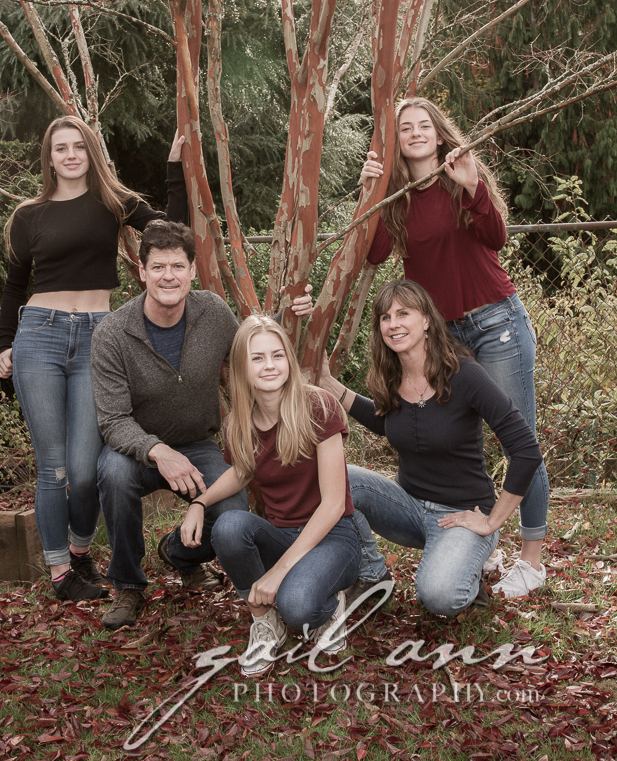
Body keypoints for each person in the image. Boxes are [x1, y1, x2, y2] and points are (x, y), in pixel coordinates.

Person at [359, 97, 549, 598]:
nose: (416, 133)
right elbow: (373, 253)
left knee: (517, 437)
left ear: (439, 133)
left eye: (424, 125)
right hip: (441, 333)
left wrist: (472, 186)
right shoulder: (396, 198)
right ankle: (481, 543)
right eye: (405, 128)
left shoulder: (460, 176)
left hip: (495, 320)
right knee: (463, 437)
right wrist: (369, 192)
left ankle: (531, 559)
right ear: (396, 142)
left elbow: (496, 237)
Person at [0, 115, 188, 603]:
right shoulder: (28, 215)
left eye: (78, 146)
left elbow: (173, 233)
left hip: (98, 337)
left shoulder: (112, 202)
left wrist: (175, 169)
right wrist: (4, 343)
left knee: (85, 469)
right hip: (39, 335)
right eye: (60, 148)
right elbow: (15, 286)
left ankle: (79, 551)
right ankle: (61, 575)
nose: (70, 155)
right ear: (49, 158)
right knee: (53, 467)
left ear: (90, 152)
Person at [91, 221, 315, 631]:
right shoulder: (113, 334)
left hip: (198, 443)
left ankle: (179, 553)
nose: (168, 276)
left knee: (232, 512)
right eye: (158, 267)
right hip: (137, 451)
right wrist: (159, 452)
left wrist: (287, 314)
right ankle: (128, 584)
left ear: (192, 270)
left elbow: (248, 345)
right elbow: (113, 420)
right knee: (113, 476)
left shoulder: (211, 312)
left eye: (178, 266)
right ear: (142, 272)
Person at [318, 280, 543, 617]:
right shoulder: (391, 375)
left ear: (426, 320)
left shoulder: (465, 375)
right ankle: (373, 576)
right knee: (341, 479)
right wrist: (328, 383)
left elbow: (526, 450)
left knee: (439, 597)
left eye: (403, 314)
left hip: (462, 515)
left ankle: (474, 560)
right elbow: (387, 422)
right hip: (408, 508)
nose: (393, 324)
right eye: (385, 317)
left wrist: (491, 521)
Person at [180, 315, 361, 676]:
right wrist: (199, 503)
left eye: (277, 355)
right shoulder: (238, 423)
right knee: (228, 527)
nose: (269, 365)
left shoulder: (318, 406)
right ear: (241, 369)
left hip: (332, 536)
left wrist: (278, 572)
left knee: (298, 608)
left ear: (288, 360)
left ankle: (329, 606)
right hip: (280, 534)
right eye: (257, 358)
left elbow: (333, 505)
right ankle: (264, 621)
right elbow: (242, 471)